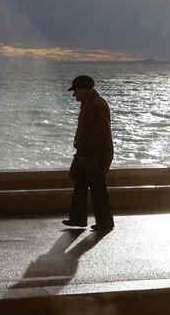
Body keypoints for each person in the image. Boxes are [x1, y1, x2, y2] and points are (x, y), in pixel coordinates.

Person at [62, 75, 114, 232]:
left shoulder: (96, 105)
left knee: (98, 190)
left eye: (76, 90)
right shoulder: (89, 103)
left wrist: (96, 157)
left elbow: (101, 133)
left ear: (84, 89)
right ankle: (78, 218)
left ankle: (105, 223)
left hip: (94, 156)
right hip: (87, 154)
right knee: (81, 185)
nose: (74, 94)